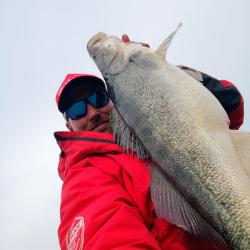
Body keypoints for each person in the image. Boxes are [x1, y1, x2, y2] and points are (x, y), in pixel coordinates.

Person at [54, 37, 244, 250]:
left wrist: (164, 74)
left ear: (112, 100)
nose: (92, 113)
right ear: (69, 126)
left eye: (98, 99)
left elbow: (232, 104)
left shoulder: (148, 124)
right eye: (76, 110)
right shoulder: (84, 179)